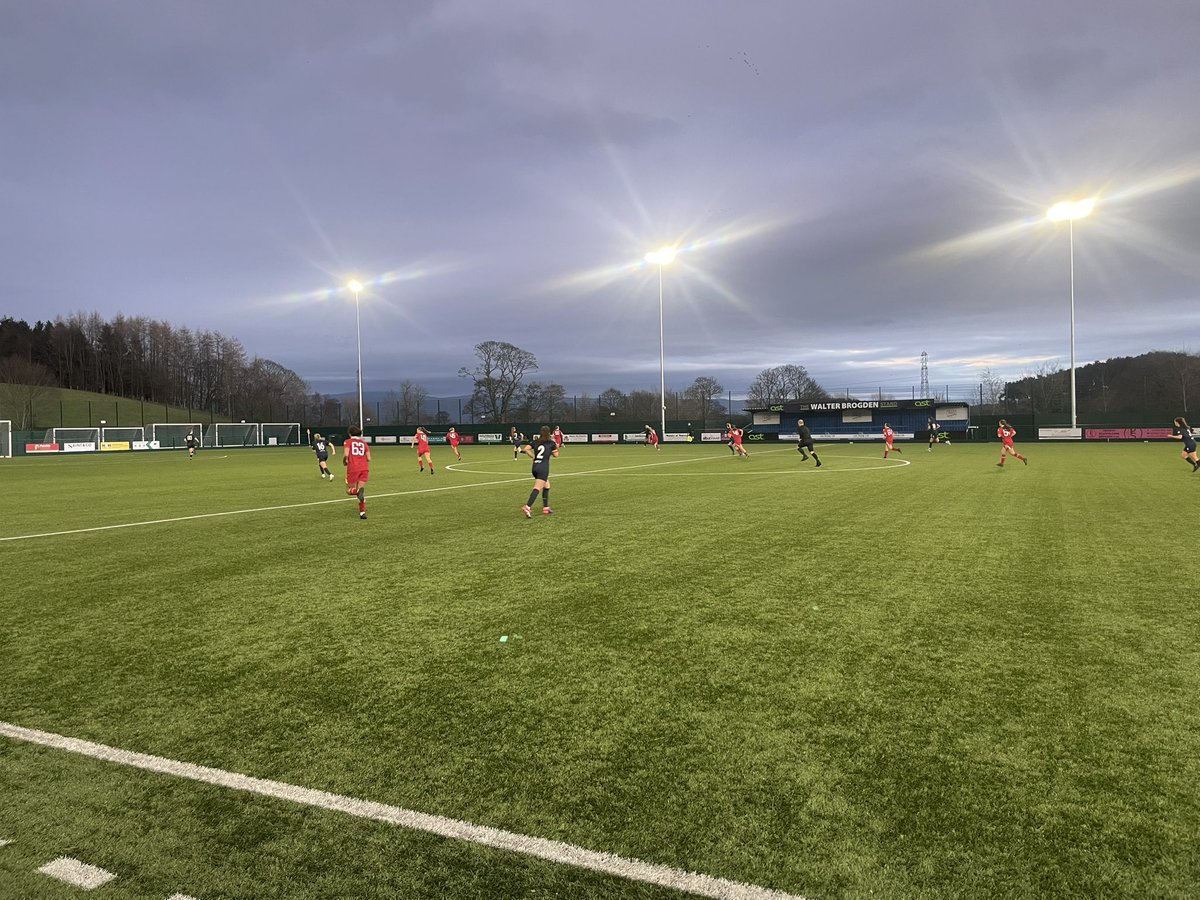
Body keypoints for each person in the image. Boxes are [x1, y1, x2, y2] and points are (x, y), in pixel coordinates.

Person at [520, 425, 559, 517]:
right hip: (543, 468)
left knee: (547, 486)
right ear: (549, 433)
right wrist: (556, 446)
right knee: (537, 488)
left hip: (535, 467)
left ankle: (546, 508)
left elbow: (525, 449)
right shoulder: (551, 443)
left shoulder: (536, 441)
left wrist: (533, 457)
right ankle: (527, 506)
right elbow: (556, 455)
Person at [343, 425, 371, 519]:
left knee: (349, 490)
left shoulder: (348, 442)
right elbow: (369, 458)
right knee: (361, 492)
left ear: (350, 433)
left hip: (353, 468)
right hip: (364, 468)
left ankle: (357, 491)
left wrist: (345, 461)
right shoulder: (364, 443)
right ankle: (362, 513)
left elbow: (346, 455)